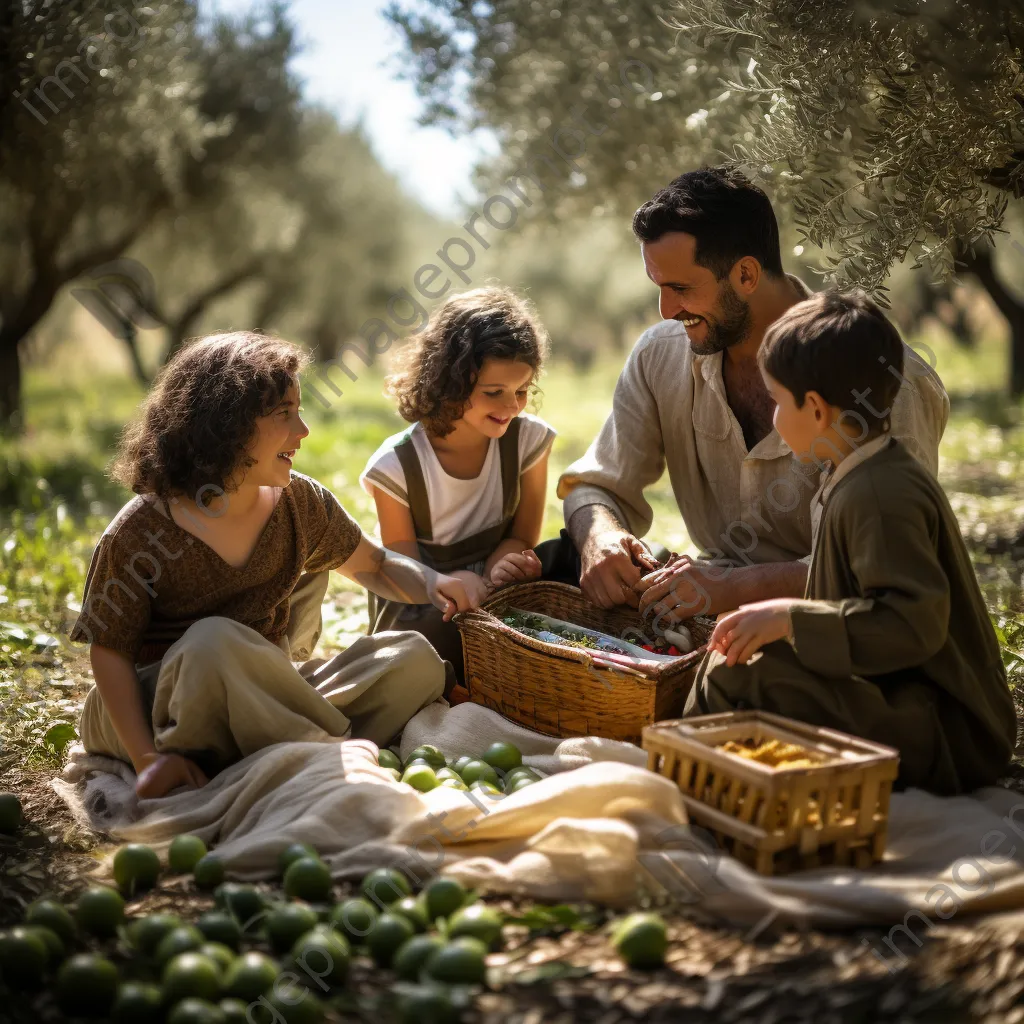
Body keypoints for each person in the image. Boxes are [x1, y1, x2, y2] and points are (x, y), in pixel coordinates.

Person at [70, 332, 479, 800]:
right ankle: (324, 750)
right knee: (213, 640)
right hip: (153, 711)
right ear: (225, 426)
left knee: (415, 659)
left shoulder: (298, 502)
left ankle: (283, 747)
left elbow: (377, 565)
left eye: (299, 410)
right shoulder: (141, 532)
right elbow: (109, 653)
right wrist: (147, 761)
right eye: (283, 414)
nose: (302, 430)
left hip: (265, 694)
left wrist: (435, 583)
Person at [547, 166, 949, 628]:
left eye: (680, 288)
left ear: (745, 274)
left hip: (837, 630)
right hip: (705, 612)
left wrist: (734, 588)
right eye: (659, 288)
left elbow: (879, 568)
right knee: (553, 564)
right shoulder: (659, 356)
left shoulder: (888, 383)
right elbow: (595, 484)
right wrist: (600, 536)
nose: (666, 310)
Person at [689, 291, 1015, 793]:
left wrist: (790, 619)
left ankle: (698, 781)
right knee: (736, 657)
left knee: (742, 675)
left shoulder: (881, 494)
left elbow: (911, 624)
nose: (773, 417)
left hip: (949, 727)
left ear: (817, 411)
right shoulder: (853, 471)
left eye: (778, 402)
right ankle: (706, 770)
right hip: (899, 694)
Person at [360, 286, 556, 683]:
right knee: (420, 647)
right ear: (450, 382)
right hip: (426, 606)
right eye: (494, 392)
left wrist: (503, 566)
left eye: (521, 391)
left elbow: (523, 535)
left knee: (567, 562)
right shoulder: (396, 467)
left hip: (495, 597)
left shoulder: (529, 441)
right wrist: (454, 584)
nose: (511, 407)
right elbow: (400, 571)